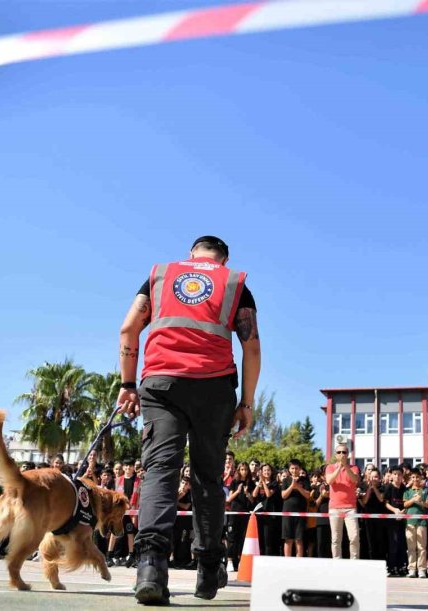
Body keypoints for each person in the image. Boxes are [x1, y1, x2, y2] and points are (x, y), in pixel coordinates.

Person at [116, 235, 261, 604]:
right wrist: (246, 402)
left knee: (160, 472)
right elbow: (252, 346)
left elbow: (129, 329)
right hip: (213, 389)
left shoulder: (161, 276)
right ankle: (208, 571)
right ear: (224, 259)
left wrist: (128, 384)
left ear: (191, 255)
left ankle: (150, 567)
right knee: (207, 478)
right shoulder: (234, 283)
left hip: (161, 384)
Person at [325, 443, 361, 559]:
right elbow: (329, 481)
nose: (341, 454)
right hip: (335, 508)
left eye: (344, 452)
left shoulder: (354, 468)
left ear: (348, 454)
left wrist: (345, 467)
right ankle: (337, 562)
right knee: (335, 538)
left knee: (354, 536)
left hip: (350, 508)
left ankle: (354, 562)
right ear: (335, 455)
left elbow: (355, 480)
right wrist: (339, 468)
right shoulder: (330, 467)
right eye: (339, 452)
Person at [403, 468, 428, 578]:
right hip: (410, 522)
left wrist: (420, 501)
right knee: (411, 546)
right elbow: (405, 505)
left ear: (421, 478)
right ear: (410, 478)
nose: (415, 479)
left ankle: (422, 569)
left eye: (417, 477)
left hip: (422, 522)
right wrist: (413, 500)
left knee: (422, 546)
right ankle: (412, 569)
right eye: (413, 477)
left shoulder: (425, 490)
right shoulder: (407, 491)